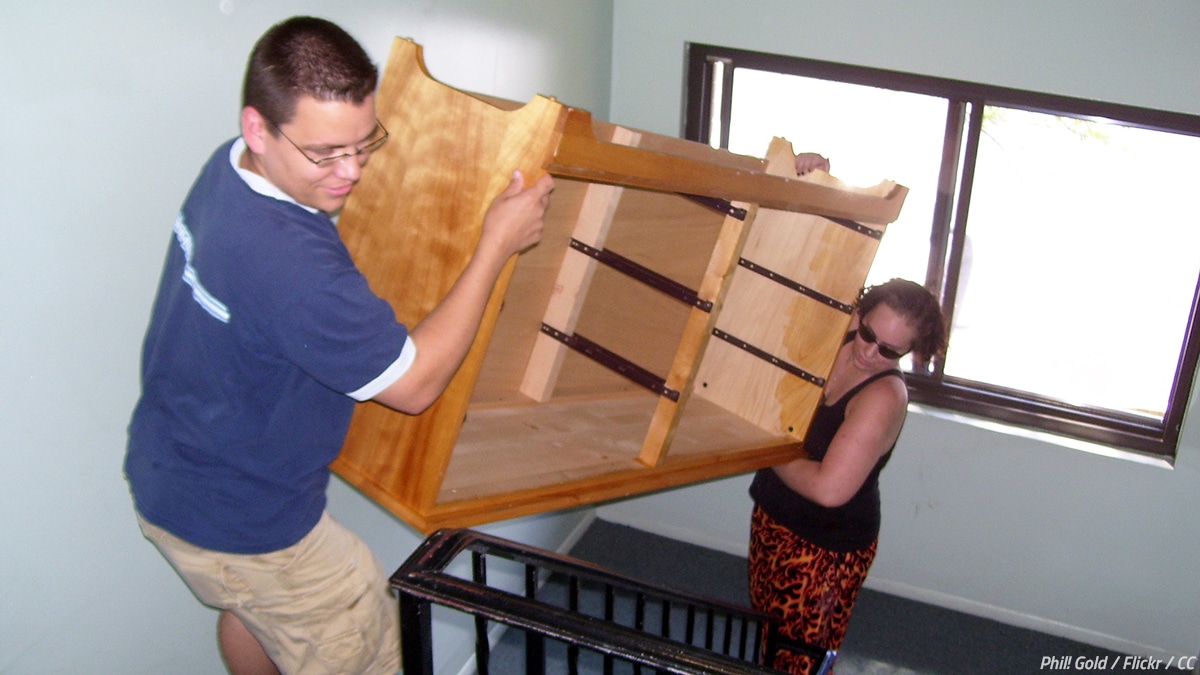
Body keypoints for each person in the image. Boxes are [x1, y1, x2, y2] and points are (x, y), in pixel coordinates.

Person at [123, 16, 554, 675]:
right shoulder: (286, 263)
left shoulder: (231, 168)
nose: (351, 171)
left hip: (175, 477)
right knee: (361, 634)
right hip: (247, 519)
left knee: (258, 612)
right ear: (257, 127)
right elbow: (413, 386)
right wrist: (497, 242)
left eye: (364, 142)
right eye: (326, 153)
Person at [748, 278, 947, 674]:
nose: (869, 352)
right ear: (860, 313)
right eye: (869, 333)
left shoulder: (884, 397)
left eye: (890, 350)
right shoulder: (839, 337)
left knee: (802, 660)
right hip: (773, 516)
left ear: (912, 352)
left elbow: (829, 490)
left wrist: (763, 442)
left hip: (825, 550)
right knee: (767, 630)